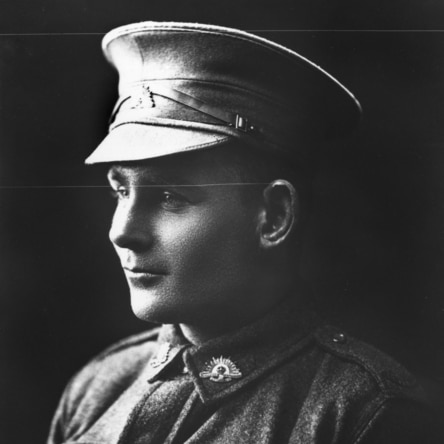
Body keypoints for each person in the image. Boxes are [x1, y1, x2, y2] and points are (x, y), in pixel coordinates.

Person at [47, 21, 439, 443]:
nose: (121, 233)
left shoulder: (363, 415)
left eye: (169, 196)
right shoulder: (97, 387)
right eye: (120, 191)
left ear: (273, 216)